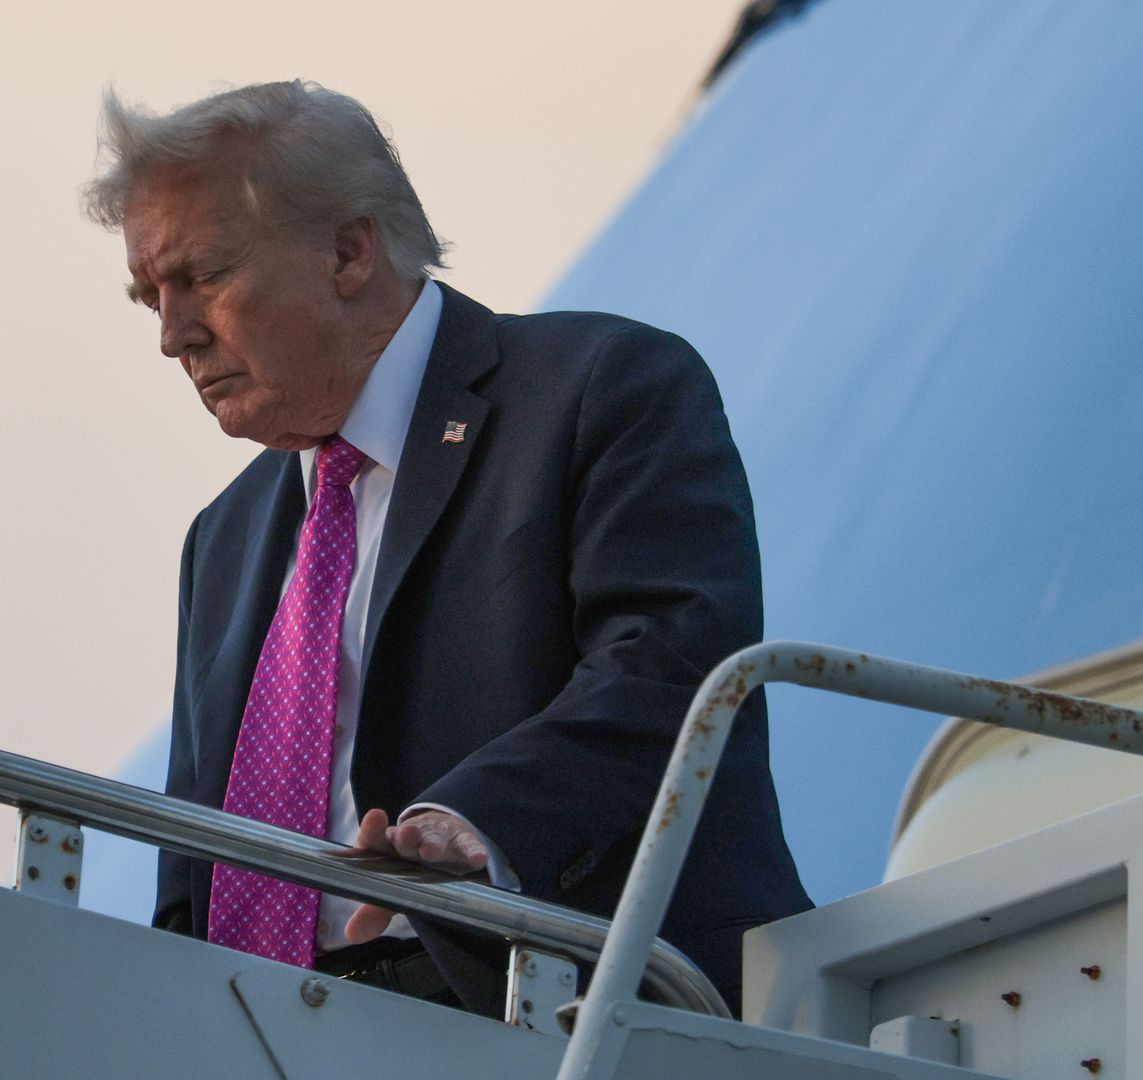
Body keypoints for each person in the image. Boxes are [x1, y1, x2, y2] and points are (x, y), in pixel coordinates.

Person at [83, 80, 812, 1017]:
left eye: (205, 277)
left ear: (349, 251)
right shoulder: (220, 540)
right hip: (265, 1031)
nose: (172, 335)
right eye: (152, 295)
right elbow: (192, 869)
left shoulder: (602, 386)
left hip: (556, 1000)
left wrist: (474, 822)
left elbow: (673, 663)